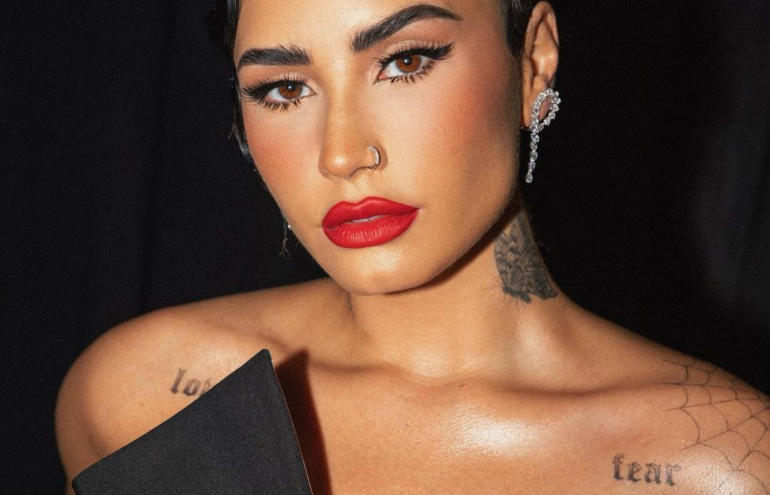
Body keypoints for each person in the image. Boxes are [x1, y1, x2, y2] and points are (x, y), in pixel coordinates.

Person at [56, 0, 770, 493]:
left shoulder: (719, 462)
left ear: (534, 59)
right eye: (284, 89)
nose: (342, 153)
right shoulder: (140, 399)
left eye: (404, 62)